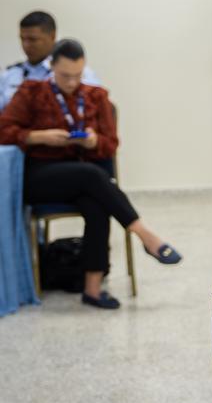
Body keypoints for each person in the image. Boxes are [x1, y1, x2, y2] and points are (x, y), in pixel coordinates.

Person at [0, 39, 181, 310]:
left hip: (83, 178)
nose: (72, 82)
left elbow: (111, 144)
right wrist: (38, 137)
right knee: (92, 176)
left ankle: (93, 289)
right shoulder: (32, 91)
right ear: (52, 67)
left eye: (77, 75)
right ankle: (144, 234)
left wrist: (94, 142)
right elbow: (4, 129)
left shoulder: (96, 96)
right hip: (40, 177)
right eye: (65, 76)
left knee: (97, 203)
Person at [1, 11, 99, 110]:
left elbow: (93, 109)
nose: (26, 45)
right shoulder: (10, 74)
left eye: (33, 39)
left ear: (52, 36)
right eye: (22, 39)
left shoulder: (75, 73)